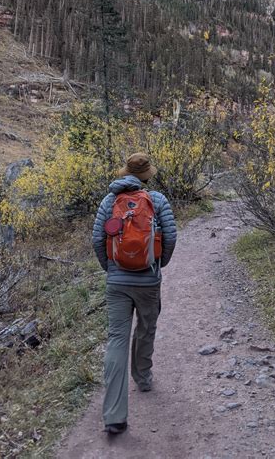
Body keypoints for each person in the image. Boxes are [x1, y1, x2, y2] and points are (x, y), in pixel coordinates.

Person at [92, 152, 177, 435]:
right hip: (148, 280)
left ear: (125, 172)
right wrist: (158, 264)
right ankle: (142, 376)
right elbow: (171, 236)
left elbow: (97, 238)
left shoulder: (108, 201)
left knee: (116, 339)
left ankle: (114, 416)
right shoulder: (158, 200)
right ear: (147, 175)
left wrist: (111, 268)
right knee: (147, 327)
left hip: (117, 282)